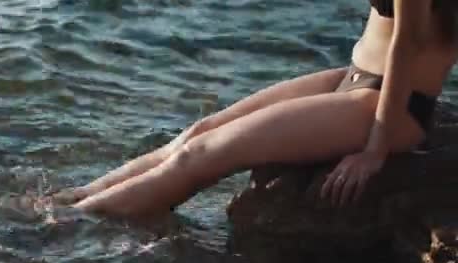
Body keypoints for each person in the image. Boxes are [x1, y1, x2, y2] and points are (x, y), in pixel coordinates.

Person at [43, 0, 458, 219]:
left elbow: (407, 43)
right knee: (196, 133)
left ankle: (72, 224)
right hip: (355, 75)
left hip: (391, 103)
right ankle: (69, 201)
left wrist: (374, 150)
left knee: (199, 156)